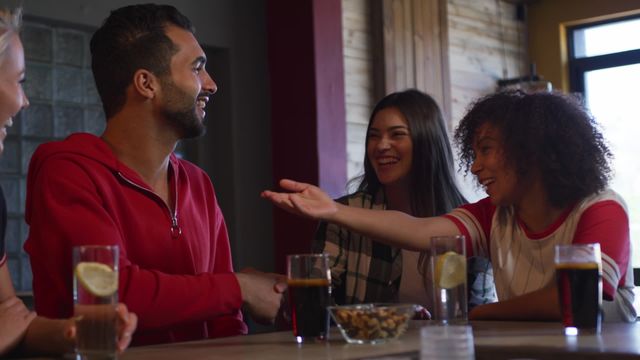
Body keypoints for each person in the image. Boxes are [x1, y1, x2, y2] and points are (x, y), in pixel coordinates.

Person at [23, 4, 285, 346]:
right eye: (197, 68)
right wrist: (240, 287)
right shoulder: (67, 172)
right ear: (147, 84)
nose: (212, 84)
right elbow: (112, 293)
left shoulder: (198, 183)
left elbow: (226, 320)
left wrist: (238, 297)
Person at [263, 90, 636, 322]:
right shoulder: (493, 214)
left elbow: (573, 297)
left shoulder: (601, 210)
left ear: (530, 150)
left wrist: (480, 314)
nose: (475, 166)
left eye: (486, 150)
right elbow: (420, 231)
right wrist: (333, 210)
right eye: (473, 153)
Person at [0, 6, 136, 357]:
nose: (24, 101)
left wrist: (73, 332)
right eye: (19, 81)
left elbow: (10, 315)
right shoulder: (65, 167)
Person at [313, 89, 495, 309]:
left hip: (444, 343)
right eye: (374, 136)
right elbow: (317, 298)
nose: (381, 146)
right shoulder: (345, 213)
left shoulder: (466, 220)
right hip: (365, 343)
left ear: (426, 141)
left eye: (397, 134)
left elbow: (477, 312)